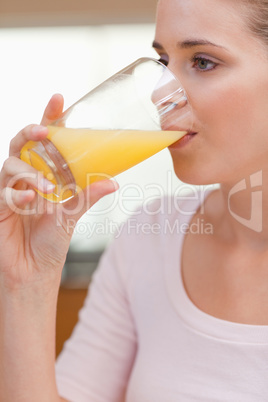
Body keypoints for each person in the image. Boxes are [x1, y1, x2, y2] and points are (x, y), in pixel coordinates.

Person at [1, 0, 268, 400]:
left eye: (203, 62)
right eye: (162, 61)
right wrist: (27, 282)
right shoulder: (149, 238)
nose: (161, 97)